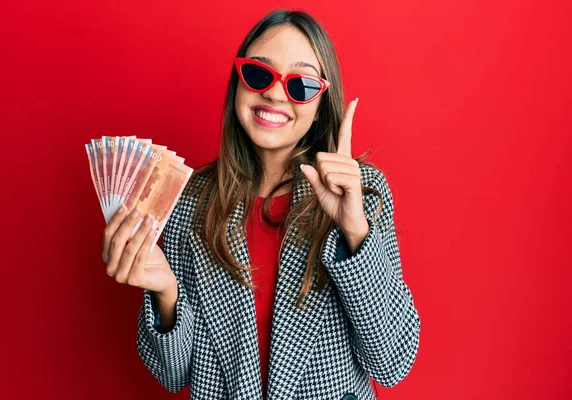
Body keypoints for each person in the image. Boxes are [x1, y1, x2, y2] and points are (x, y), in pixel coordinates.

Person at [101, 9, 421, 400]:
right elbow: (174, 375)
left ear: (322, 102)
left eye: (300, 85)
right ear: (238, 83)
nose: (273, 93)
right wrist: (166, 293)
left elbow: (392, 362)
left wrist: (355, 232)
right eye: (258, 74)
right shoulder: (190, 202)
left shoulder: (361, 192)